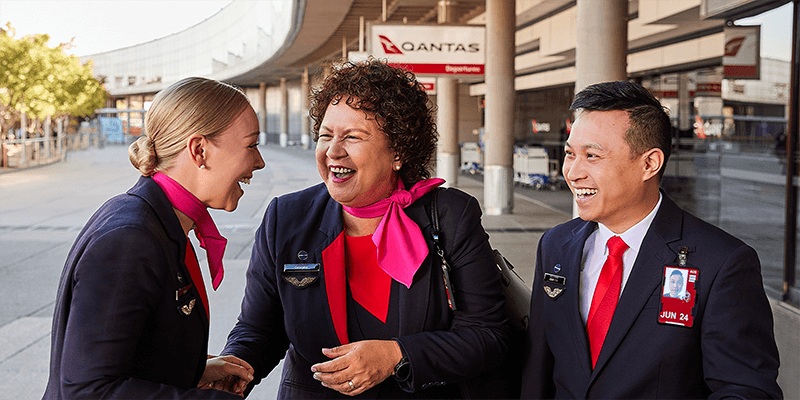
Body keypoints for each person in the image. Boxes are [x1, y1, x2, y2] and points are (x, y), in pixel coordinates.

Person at [221, 60, 510, 399]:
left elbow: (489, 335)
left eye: (352, 137)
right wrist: (234, 367)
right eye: (326, 135)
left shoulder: (450, 216)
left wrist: (397, 355)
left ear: (398, 150)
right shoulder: (287, 217)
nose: (333, 151)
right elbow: (259, 328)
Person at [521, 81, 781, 399]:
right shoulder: (555, 245)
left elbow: (745, 389)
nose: (573, 172)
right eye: (570, 154)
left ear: (649, 163)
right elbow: (538, 370)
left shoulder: (722, 263)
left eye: (592, 156)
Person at [44, 77, 264, 399]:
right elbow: (89, 390)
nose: (258, 162)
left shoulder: (154, 219)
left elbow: (130, 358)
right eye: (251, 145)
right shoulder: (130, 240)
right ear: (199, 150)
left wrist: (192, 370)